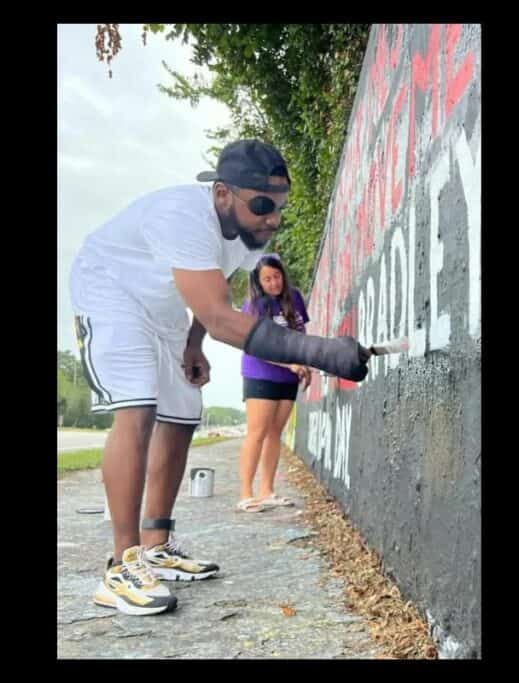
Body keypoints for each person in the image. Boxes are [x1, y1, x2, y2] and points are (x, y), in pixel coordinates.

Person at [69, 140, 371, 616]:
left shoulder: (246, 231)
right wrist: (321, 351)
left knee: (183, 412)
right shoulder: (183, 217)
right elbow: (219, 314)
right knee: (138, 408)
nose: (272, 218)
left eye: (279, 206)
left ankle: (155, 547)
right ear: (223, 193)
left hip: (164, 305)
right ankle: (120, 566)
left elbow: (215, 293)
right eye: (263, 205)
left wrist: (193, 345)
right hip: (111, 292)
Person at [236, 254, 310, 513]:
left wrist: (305, 364)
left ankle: (266, 491)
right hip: (260, 372)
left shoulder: (295, 297)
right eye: (267, 279)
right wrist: (289, 364)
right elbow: (256, 345)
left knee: (274, 433)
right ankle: (246, 494)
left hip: (289, 375)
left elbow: (300, 336)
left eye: (276, 276)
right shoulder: (254, 305)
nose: (273, 283)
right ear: (258, 281)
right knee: (257, 433)